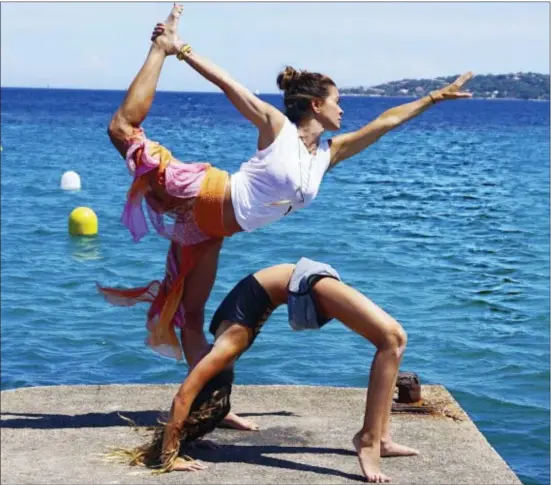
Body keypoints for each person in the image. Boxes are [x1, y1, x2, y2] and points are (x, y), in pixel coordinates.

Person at [98, 2, 472, 430]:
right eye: (338, 102)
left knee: (194, 319)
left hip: (211, 230)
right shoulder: (277, 129)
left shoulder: (327, 156)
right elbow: (229, 84)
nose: (343, 110)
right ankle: (158, 50)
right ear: (316, 104)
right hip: (203, 192)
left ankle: (212, 406)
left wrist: (432, 98)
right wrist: (179, 49)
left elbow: (384, 123)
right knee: (122, 131)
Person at [118, 257, 413, 483]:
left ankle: (378, 439)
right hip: (301, 283)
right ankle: (372, 439)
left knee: (392, 339)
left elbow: (184, 398)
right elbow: (199, 396)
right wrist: (215, 417)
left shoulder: (222, 352)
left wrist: (170, 452)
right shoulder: (221, 351)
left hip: (299, 282)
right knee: (392, 339)